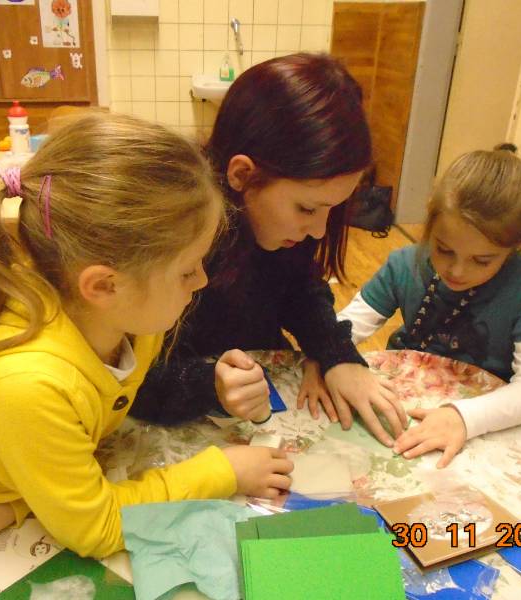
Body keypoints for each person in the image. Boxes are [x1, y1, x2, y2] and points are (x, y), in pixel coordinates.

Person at [0, 113, 293, 582]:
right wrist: (223, 471)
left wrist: (15, 505)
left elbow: (112, 398)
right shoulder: (26, 384)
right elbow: (96, 528)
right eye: (188, 269)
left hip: (2, 463)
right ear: (104, 285)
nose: (202, 281)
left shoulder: (123, 318)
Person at [130, 52, 407, 447]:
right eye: (307, 209)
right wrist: (210, 385)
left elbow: (300, 289)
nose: (319, 230)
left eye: (333, 209)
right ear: (242, 174)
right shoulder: (172, 236)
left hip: (258, 386)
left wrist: (335, 354)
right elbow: (128, 380)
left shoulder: (280, 226)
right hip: (175, 410)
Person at [337, 144, 521, 467]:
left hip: (484, 422)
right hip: (404, 409)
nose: (457, 271)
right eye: (444, 249)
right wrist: (331, 358)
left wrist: (463, 417)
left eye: (482, 260)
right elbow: (345, 328)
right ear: (430, 222)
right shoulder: (405, 264)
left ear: (518, 244)